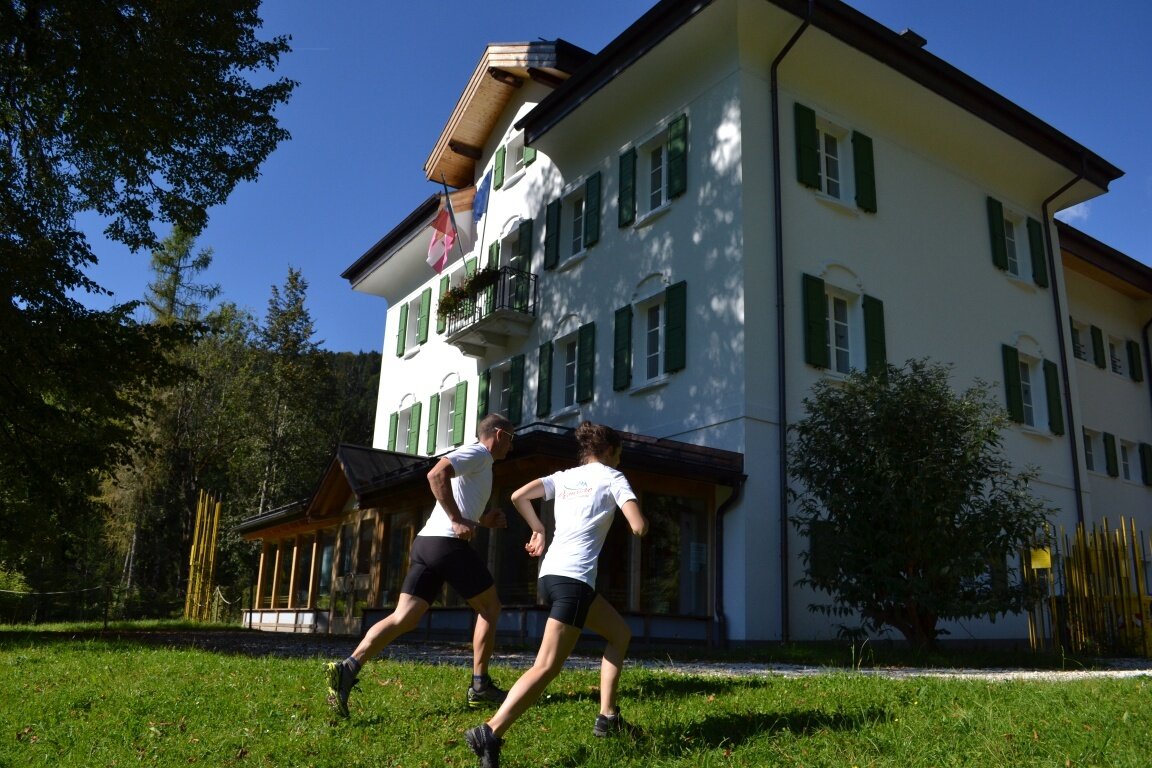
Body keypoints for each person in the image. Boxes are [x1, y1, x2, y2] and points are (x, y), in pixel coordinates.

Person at [464, 421, 648, 768]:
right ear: (609, 452)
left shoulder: (564, 477)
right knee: (546, 666)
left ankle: (607, 717)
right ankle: (491, 731)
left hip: (551, 575)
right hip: (574, 580)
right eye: (619, 455)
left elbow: (519, 496)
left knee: (619, 634)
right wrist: (642, 522)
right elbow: (637, 526)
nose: (619, 462)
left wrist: (538, 527)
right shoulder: (613, 477)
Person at [325, 413, 516, 718]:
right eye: (512, 438)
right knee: (490, 608)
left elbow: (459, 502)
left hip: (428, 543)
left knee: (405, 617)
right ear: (498, 434)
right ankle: (480, 687)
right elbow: (435, 474)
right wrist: (456, 520)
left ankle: (348, 668)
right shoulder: (478, 452)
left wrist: (480, 521)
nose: (512, 446)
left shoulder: (482, 463)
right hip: (446, 545)